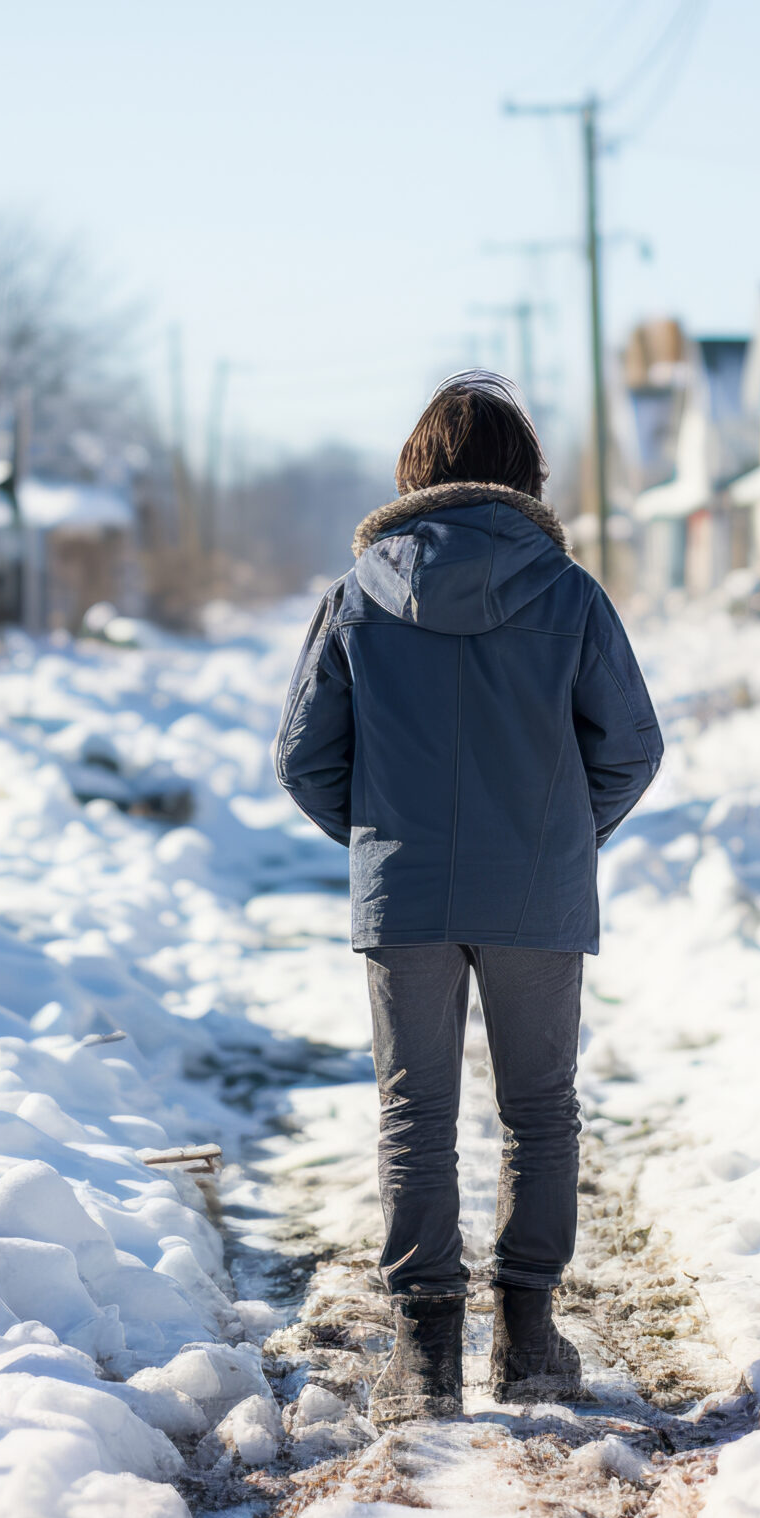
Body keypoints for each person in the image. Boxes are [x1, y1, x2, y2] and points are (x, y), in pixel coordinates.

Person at [273, 371, 663, 1423]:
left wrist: (382, 841)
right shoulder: (569, 594)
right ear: (521, 478)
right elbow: (630, 745)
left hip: (404, 897)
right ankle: (530, 1343)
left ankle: (423, 1360)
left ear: (417, 473)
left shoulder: (358, 596)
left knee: (415, 1117)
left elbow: (304, 759)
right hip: (538, 887)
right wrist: (561, 836)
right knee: (540, 1112)